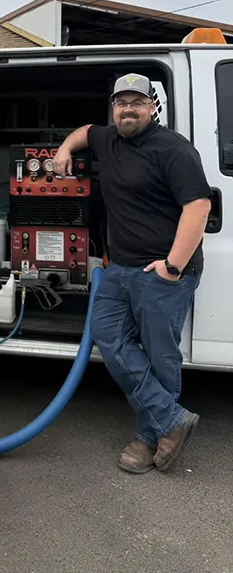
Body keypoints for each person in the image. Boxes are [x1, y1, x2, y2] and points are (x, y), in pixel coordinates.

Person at [53, 73, 212, 474]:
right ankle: (170, 419)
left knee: (160, 356)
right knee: (107, 336)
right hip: (119, 269)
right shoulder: (108, 139)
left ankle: (148, 438)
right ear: (114, 108)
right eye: (121, 102)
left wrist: (172, 267)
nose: (128, 109)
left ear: (152, 106)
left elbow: (199, 207)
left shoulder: (173, 149)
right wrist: (63, 149)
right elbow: (86, 131)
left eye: (137, 102)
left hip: (163, 273)